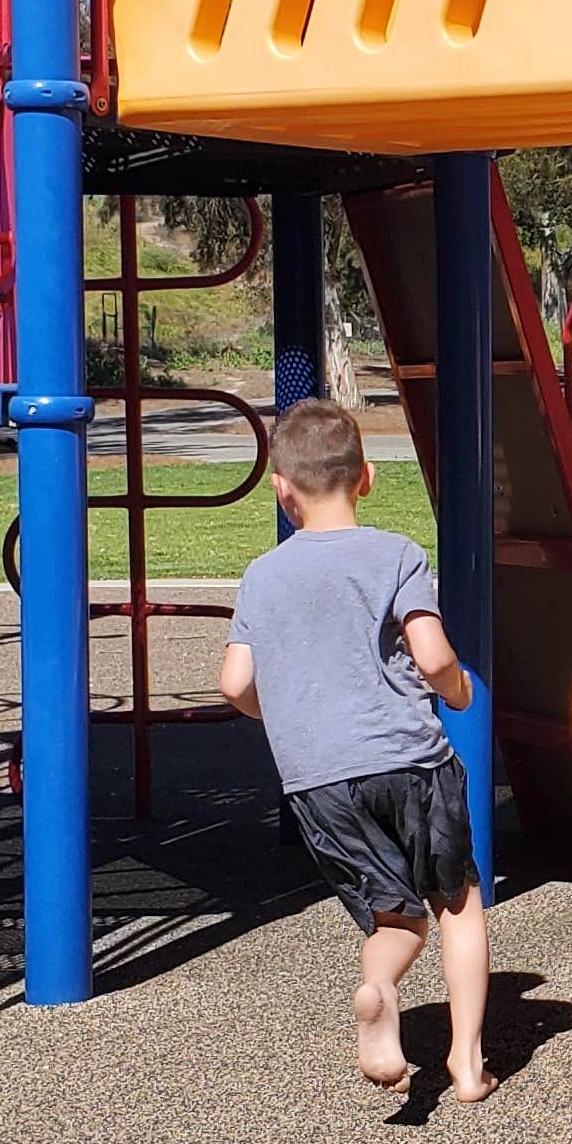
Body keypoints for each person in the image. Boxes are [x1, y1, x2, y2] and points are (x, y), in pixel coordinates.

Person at [217, 400, 493, 1105]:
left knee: (392, 916)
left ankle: (378, 987)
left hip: (318, 779)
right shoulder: (396, 553)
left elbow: (236, 683)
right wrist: (458, 691)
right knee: (456, 906)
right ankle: (465, 1063)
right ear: (365, 478)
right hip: (408, 760)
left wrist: (280, 713)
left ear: (281, 488)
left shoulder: (261, 575)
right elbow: (431, 656)